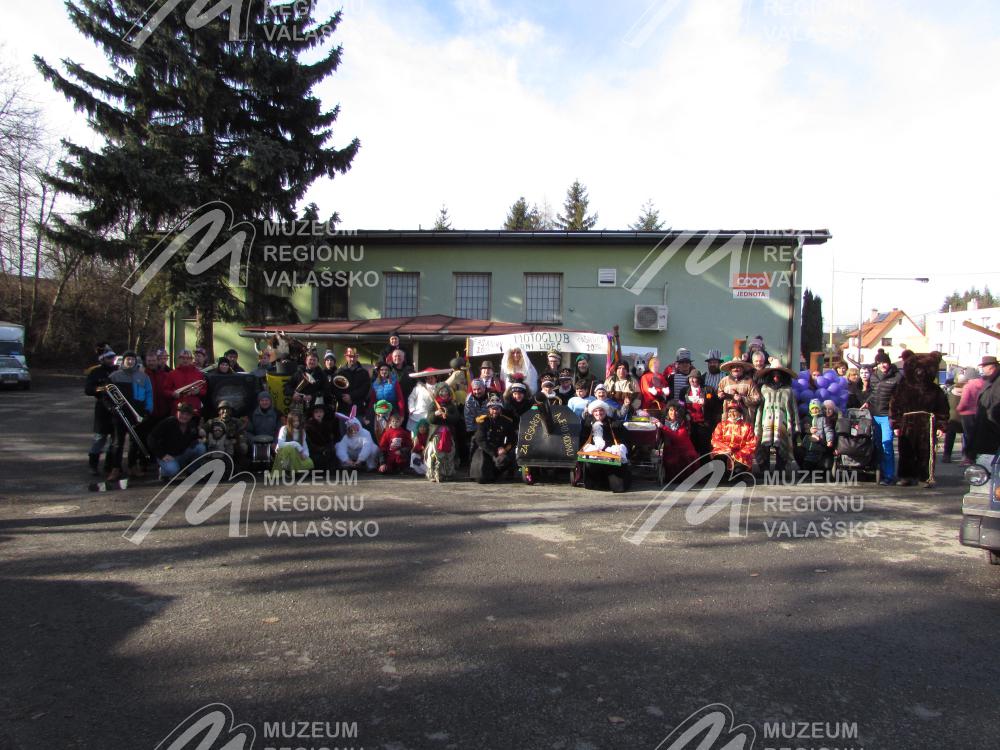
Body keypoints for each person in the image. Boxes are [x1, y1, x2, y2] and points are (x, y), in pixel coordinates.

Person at [889, 352, 949, 487]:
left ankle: (925, 477)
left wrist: (941, 426)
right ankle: (906, 476)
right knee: (906, 451)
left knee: (926, 452)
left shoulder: (935, 390)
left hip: (928, 424)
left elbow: (943, 409)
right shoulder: (902, 387)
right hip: (907, 423)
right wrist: (896, 424)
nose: (920, 372)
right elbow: (895, 406)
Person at [107, 350, 155, 480]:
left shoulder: (143, 377)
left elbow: (149, 394)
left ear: (135, 361)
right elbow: (107, 395)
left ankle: (132, 466)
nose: (130, 361)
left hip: (136, 413)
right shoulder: (115, 376)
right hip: (120, 414)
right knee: (118, 442)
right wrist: (111, 408)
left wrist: (148, 409)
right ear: (123, 361)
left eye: (132, 359)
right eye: (128, 359)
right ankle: (116, 468)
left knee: (135, 442)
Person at [862, 350, 902, 485]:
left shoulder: (897, 377)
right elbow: (874, 393)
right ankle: (881, 472)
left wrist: (897, 420)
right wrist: (867, 402)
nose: (882, 365)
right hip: (875, 415)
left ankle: (889, 476)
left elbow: (900, 399)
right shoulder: (874, 376)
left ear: (889, 363)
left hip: (888, 417)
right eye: (879, 363)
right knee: (877, 445)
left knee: (887, 445)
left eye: (884, 362)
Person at [753, 364, 799, 474]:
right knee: (765, 445)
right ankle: (764, 468)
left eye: (778, 375)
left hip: (782, 422)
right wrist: (757, 423)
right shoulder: (764, 389)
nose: (776, 378)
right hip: (766, 421)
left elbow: (793, 408)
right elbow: (760, 408)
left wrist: (796, 425)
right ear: (769, 376)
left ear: (783, 376)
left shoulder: (788, 390)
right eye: (773, 375)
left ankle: (780, 469)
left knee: (781, 445)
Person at [578, 399, 630, 493]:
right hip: (594, 455)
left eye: (601, 410)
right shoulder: (587, 424)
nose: (598, 413)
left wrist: (618, 448)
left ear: (605, 411)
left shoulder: (614, 423)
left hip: (610, 454)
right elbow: (583, 440)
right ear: (592, 412)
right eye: (596, 411)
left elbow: (623, 439)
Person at [148, 402, 207, 480]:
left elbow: (195, 438)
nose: (184, 416)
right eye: (182, 413)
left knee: (201, 448)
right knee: (173, 470)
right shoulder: (168, 422)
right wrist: (162, 455)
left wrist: (202, 436)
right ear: (177, 412)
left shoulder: (192, 425)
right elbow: (151, 438)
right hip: (167, 456)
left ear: (191, 416)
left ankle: (191, 471)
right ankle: (163, 472)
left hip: (182, 455)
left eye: (187, 414)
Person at [84, 349, 118, 476]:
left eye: (113, 358)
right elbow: (88, 389)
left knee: (115, 440)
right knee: (99, 438)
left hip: (116, 409)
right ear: (103, 359)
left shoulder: (117, 371)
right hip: (102, 409)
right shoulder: (95, 372)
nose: (111, 360)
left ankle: (109, 465)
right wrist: (99, 389)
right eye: (109, 358)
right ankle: (93, 465)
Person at [469, 395, 517, 483]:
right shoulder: (483, 421)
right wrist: (494, 452)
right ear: (489, 409)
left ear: (500, 409)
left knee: (505, 459)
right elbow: (480, 440)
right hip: (485, 449)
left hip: (500, 449)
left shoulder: (506, 422)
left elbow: (513, 439)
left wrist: (505, 449)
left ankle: (496, 474)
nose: (495, 411)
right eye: (492, 408)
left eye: (497, 408)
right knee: (481, 478)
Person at [679, 369, 719, 457]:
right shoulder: (684, 391)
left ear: (699, 379)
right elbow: (681, 405)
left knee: (704, 449)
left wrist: (706, 402)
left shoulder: (708, 390)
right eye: (690, 378)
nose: (692, 380)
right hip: (690, 424)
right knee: (692, 448)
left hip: (704, 424)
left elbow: (715, 405)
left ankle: (705, 464)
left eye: (695, 378)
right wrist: (685, 414)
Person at [425, 383, 461, 482]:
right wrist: (436, 414)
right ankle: (433, 474)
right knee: (435, 454)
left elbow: (456, 418)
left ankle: (447, 473)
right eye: (442, 391)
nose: (444, 393)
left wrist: (447, 415)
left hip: (448, 435)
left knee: (448, 454)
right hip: (436, 434)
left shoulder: (452, 405)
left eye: (446, 391)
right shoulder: (433, 404)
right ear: (438, 392)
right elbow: (429, 419)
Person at [710, 403, 757, 478]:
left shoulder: (747, 427)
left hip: (741, 454)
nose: (731, 414)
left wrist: (741, 452)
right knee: (720, 460)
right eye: (730, 411)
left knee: (737, 473)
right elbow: (715, 440)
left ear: (740, 413)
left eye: (734, 411)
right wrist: (726, 449)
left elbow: (751, 443)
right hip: (724, 451)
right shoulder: (721, 425)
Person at [972, 355, 1000, 457]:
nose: (982, 369)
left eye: (984, 366)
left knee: (990, 457)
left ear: (991, 367)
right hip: (986, 424)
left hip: (992, 426)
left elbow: (997, 402)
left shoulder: (997, 381)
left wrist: (990, 416)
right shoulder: (990, 380)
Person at [164, 349, 207, 414]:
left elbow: (205, 390)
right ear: (179, 359)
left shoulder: (199, 374)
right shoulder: (172, 374)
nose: (185, 360)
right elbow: (165, 390)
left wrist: (198, 392)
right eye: (183, 358)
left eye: (188, 358)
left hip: (194, 409)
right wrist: (172, 394)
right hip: (178, 409)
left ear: (191, 360)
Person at [958, 367, 987, 465]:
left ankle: (968, 457)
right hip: (980, 413)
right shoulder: (984, 384)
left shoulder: (968, 386)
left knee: (967, 436)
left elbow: (964, 402)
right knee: (978, 435)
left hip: (967, 414)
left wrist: (958, 409)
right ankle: (978, 456)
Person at [335, 346, 372, 416]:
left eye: (354, 356)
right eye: (350, 356)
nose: (352, 359)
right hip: (343, 409)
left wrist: (351, 396)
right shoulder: (339, 372)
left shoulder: (364, 372)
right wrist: (343, 397)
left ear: (357, 357)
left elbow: (365, 389)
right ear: (346, 357)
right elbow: (335, 388)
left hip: (358, 409)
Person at [801, 399, 834, 472]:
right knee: (807, 459)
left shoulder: (823, 419)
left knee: (816, 459)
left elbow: (828, 430)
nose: (815, 410)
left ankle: (816, 470)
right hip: (808, 444)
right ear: (810, 409)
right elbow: (802, 429)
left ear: (819, 409)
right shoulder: (807, 419)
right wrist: (808, 430)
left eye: (816, 408)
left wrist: (829, 440)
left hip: (819, 444)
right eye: (813, 408)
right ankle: (806, 472)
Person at [305, 404, 336, 470]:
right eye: (316, 412)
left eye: (321, 412)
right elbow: (309, 444)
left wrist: (328, 449)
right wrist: (322, 450)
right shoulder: (308, 427)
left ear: (324, 413)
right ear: (313, 414)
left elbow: (330, 440)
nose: (319, 414)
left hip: (326, 451)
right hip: (314, 452)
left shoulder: (327, 425)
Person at [943, 374, 965, 463]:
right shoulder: (967, 391)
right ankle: (965, 456)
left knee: (950, 437)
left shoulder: (951, 391)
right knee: (965, 437)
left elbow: (945, 404)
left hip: (952, 417)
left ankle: (947, 456)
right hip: (964, 417)